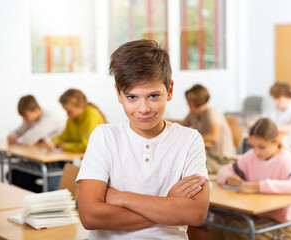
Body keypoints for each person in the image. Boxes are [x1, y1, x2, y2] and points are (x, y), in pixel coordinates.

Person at [76, 39, 209, 239]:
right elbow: (90, 216)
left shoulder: (189, 140)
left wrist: (120, 197)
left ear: (170, 90)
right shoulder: (103, 137)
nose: (144, 108)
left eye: (154, 96)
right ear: (118, 94)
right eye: (132, 97)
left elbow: (195, 214)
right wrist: (168, 203)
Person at [214, 118, 291, 240]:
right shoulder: (252, 156)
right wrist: (228, 178)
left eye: (262, 147)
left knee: (237, 231)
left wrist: (258, 186)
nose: (257, 151)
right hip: (257, 218)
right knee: (219, 226)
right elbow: (224, 170)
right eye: (253, 146)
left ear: (275, 142)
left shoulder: (285, 159)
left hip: (284, 224)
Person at [6, 95, 64, 193]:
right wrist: (12, 135)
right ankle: (35, 196)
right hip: (40, 159)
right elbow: (18, 131)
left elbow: (28, 140)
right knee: (13, 175)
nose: (24, 119)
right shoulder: (31, 119)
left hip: (57, 162)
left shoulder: (49, 118)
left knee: (19, 177)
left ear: (36, 110)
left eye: (26, 116)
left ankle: (40, 196)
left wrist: (22, 139)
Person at [182, 84, 236, 174]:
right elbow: (180, 128)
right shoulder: (193, 114)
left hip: (222, 160)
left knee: (188, 166)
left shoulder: (211, 111)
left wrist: (192, 138)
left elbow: (214, 137)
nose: (187, 103)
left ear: (197, 100)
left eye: (190, 100)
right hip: (210, 157)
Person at [46, 89, 106, 153]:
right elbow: (65, 137)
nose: (67, 114)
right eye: (66, 111)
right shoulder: (72, 117)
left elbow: (88, 146)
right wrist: (54, 142)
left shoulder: (91, 116)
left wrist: (65, 146)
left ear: (79, 106)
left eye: (70, 111)